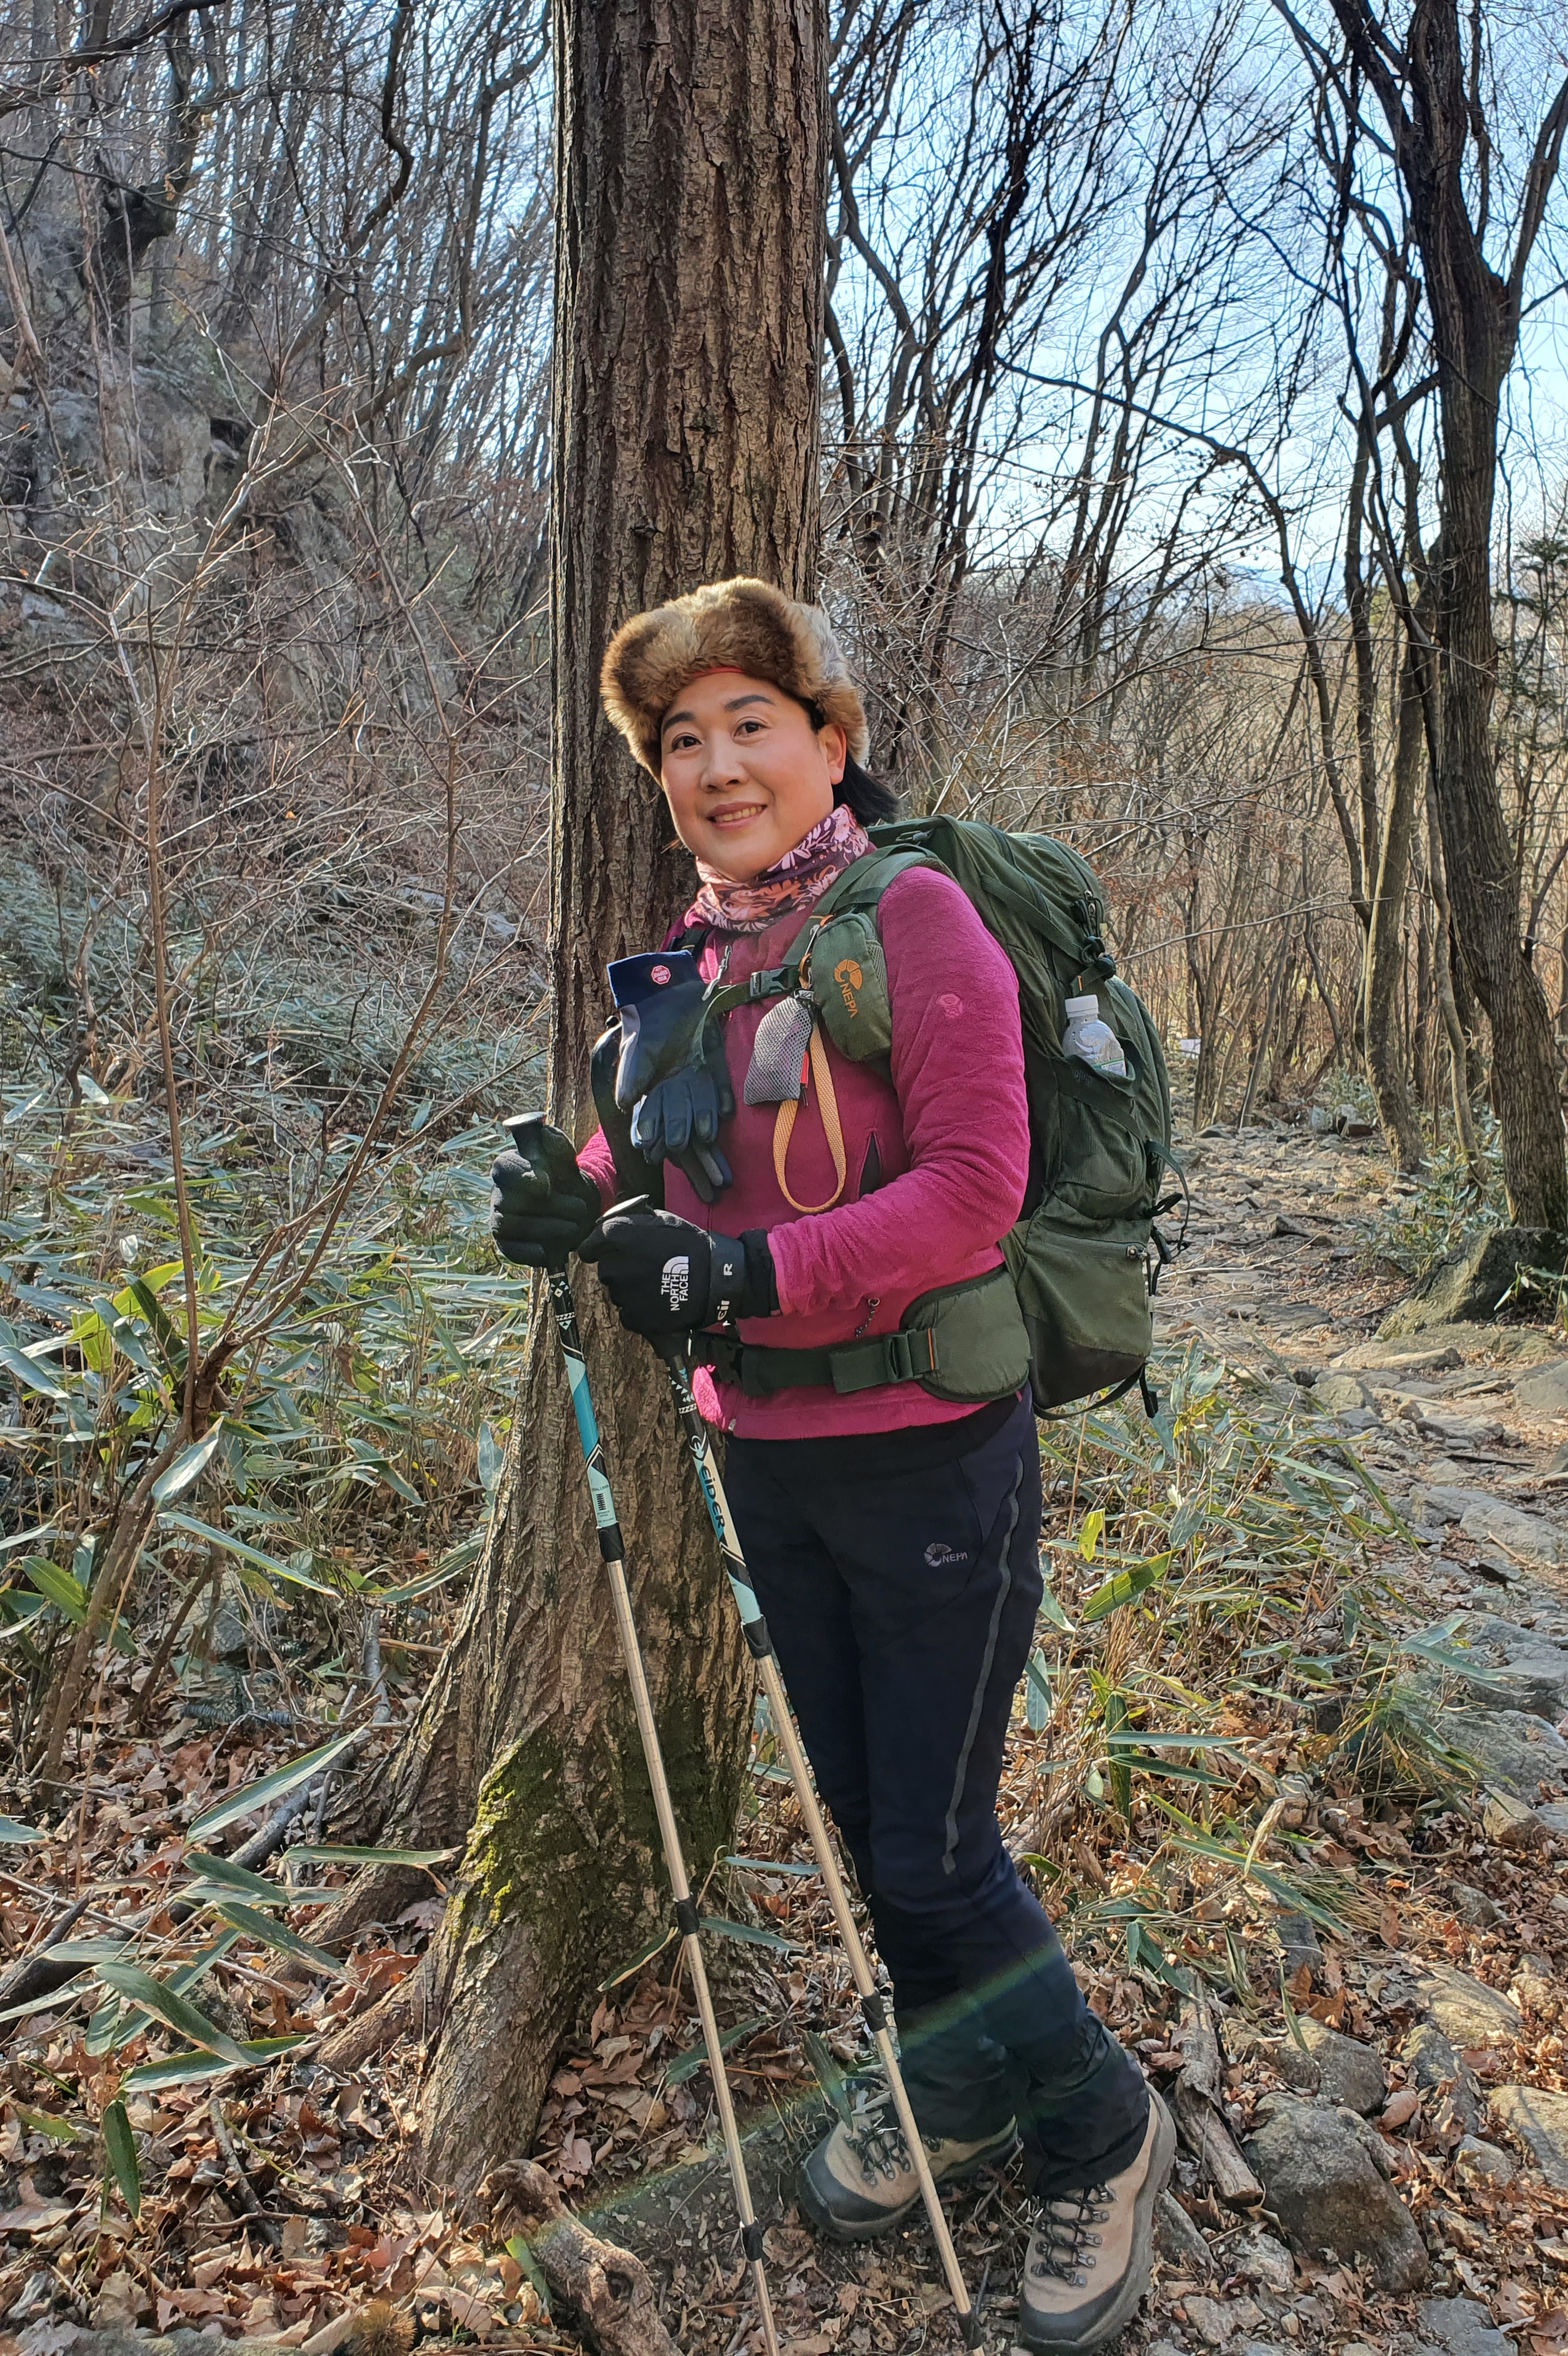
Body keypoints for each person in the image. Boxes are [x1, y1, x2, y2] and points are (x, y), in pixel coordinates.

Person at [489, 579, 1171, 2356]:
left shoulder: (914, 919)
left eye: (752, 725)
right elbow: (649, 1153)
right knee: (876, 1829)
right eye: (682, 740)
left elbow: (974, 1188)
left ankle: (1101, 2128)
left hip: (931, 1456)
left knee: (934, 1852)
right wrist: (569, 1197)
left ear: (830, 741)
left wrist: (743, 1277)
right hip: (767, 1458)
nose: (719, 766)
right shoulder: (698, 953)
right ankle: (955, 2082)